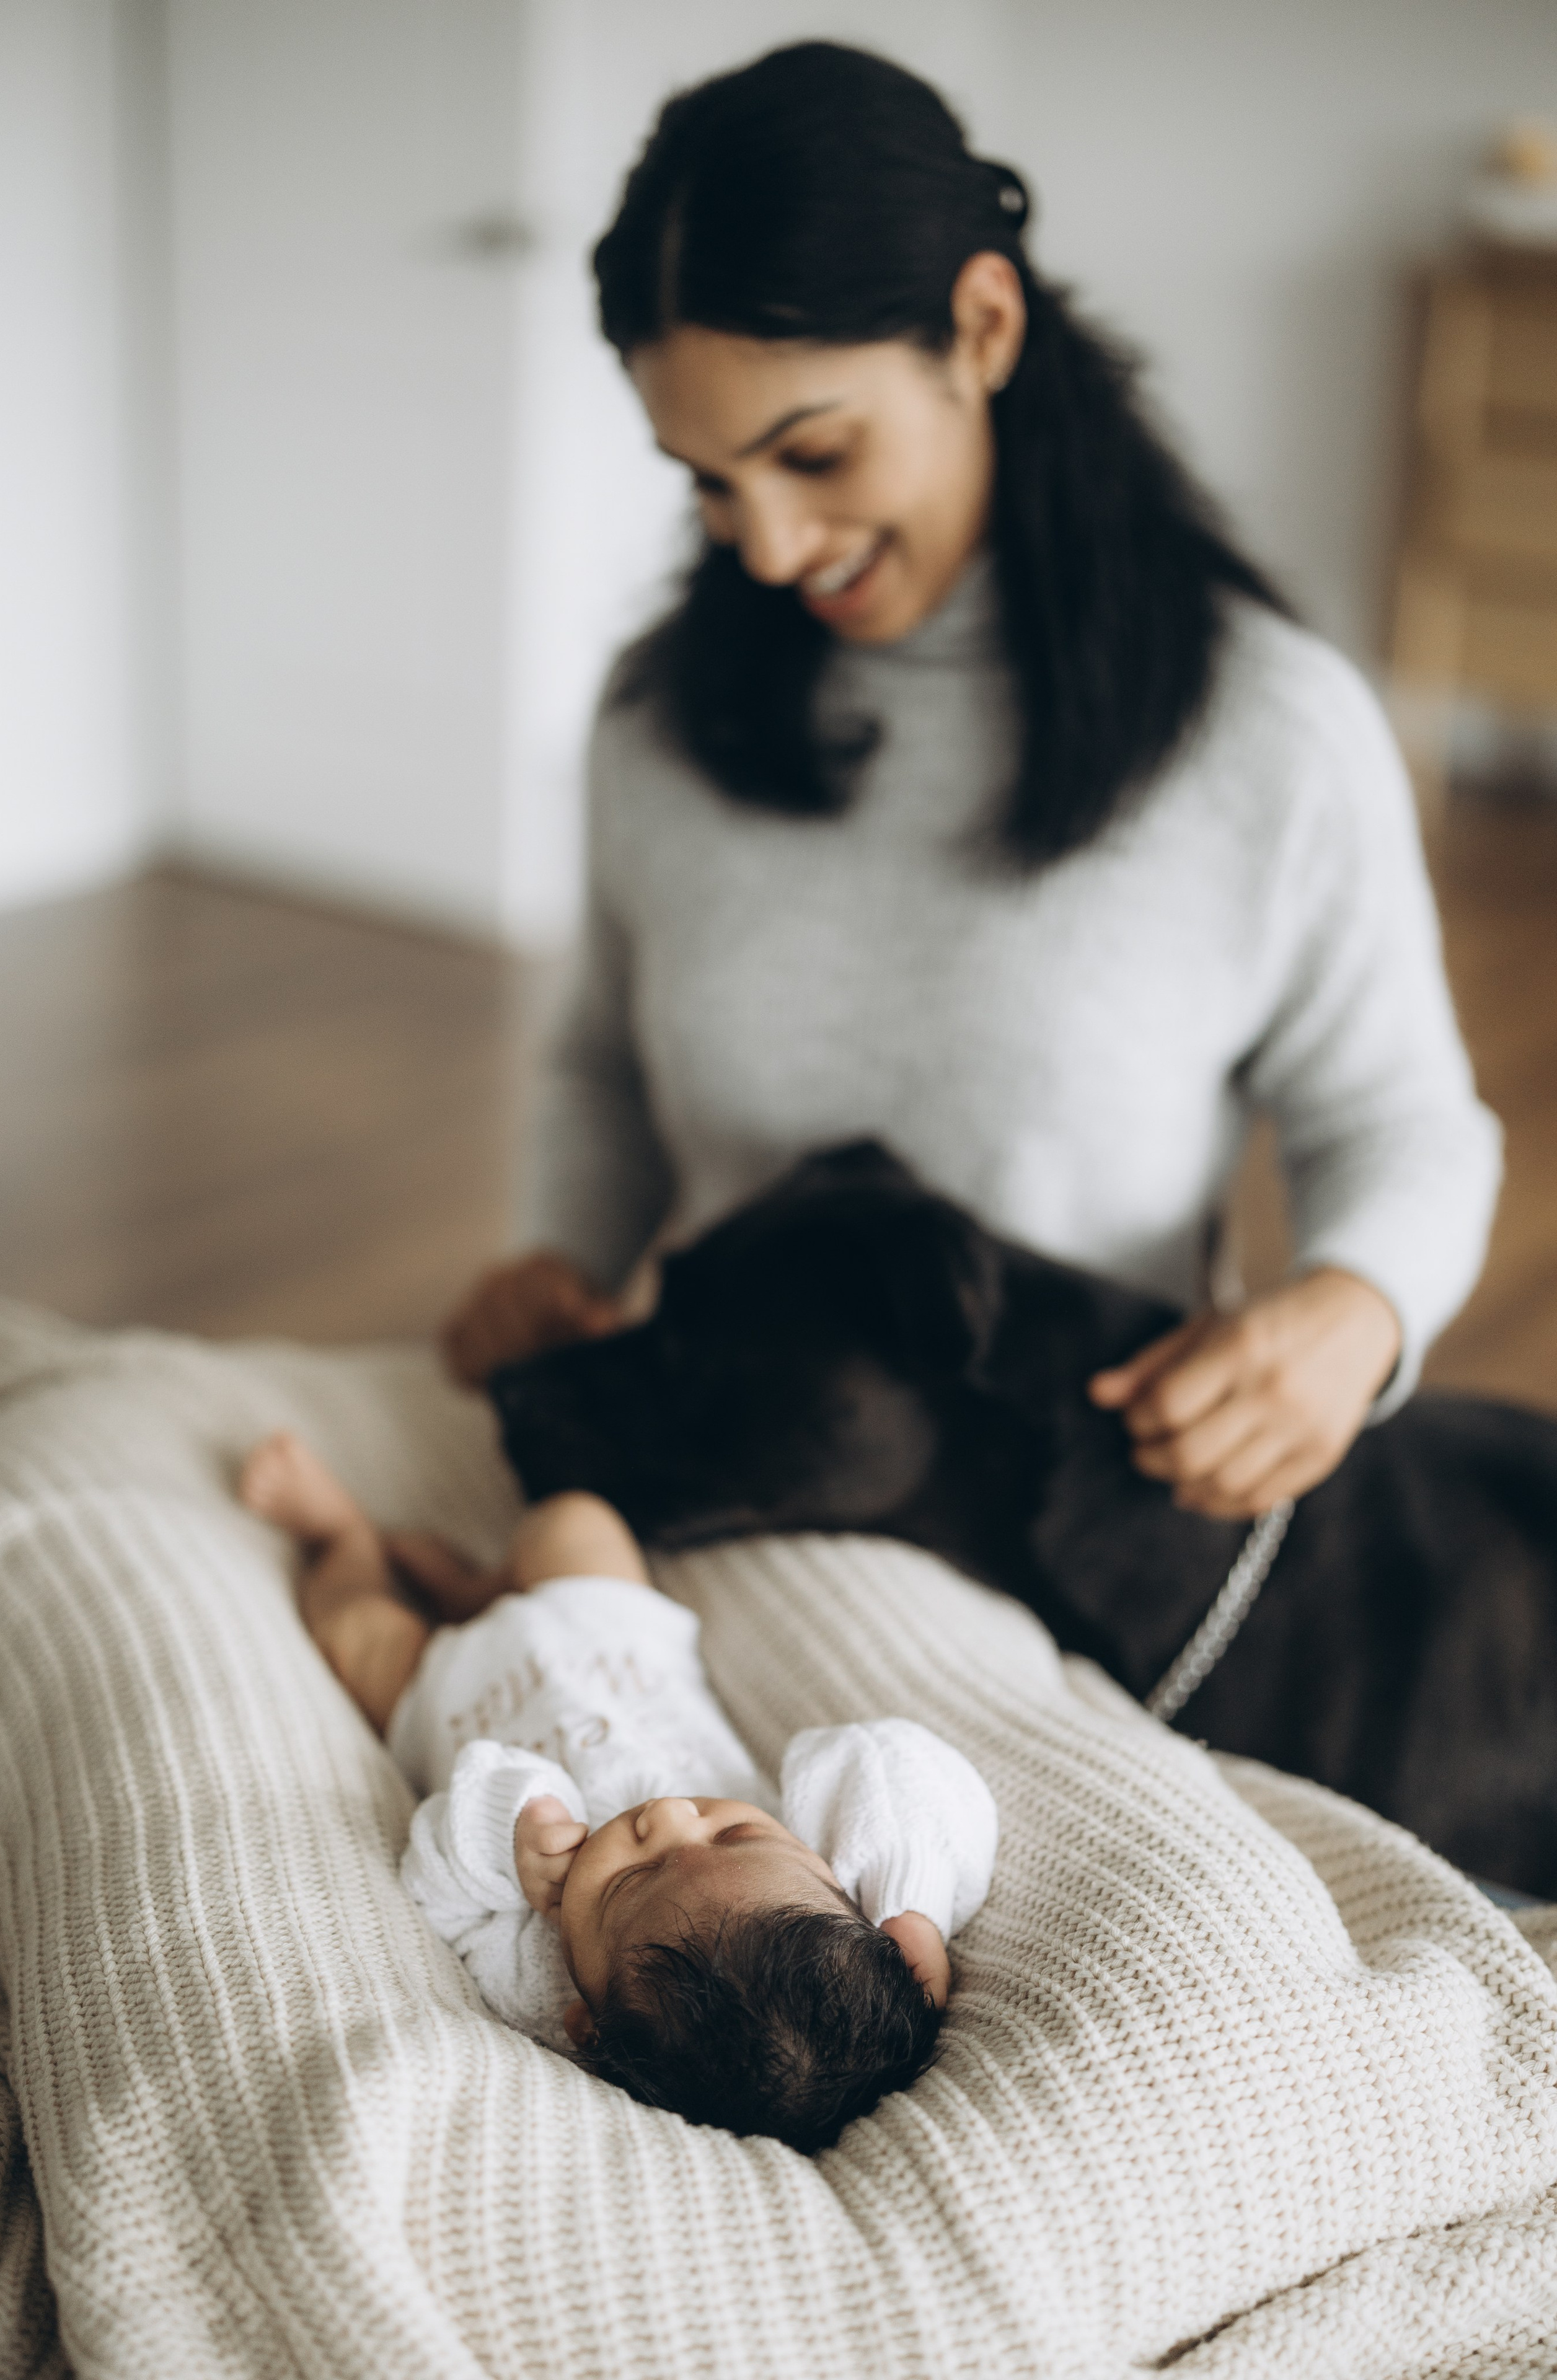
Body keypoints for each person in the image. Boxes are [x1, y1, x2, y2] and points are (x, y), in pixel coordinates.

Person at [444, 41, 1501, 1526]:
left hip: (1075, 1516)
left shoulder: (1268, 730)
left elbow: (1395, 1118)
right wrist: (558, 1255)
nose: (762, 545)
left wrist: (1354, 1308)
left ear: (981, 326)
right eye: (704, 478)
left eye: (810, 452)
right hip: (735, 1470)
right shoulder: (656, 717)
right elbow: (597, 1062)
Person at [239, 1433, 997, 2153]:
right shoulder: (838, 1868)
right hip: (605, 1630)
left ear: (587, 2024)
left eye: (635, 1877)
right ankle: (475, 1587)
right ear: (837, 1883)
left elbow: (434, 1881)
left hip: (447, 1694)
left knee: (352, 1628)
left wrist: (510, 1834)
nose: (669, 1817)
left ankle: (344, 1536)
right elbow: (891, 1756)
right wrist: (912, 1909)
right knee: (575, 1519)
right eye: (736, 1836)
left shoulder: (535, 1976)